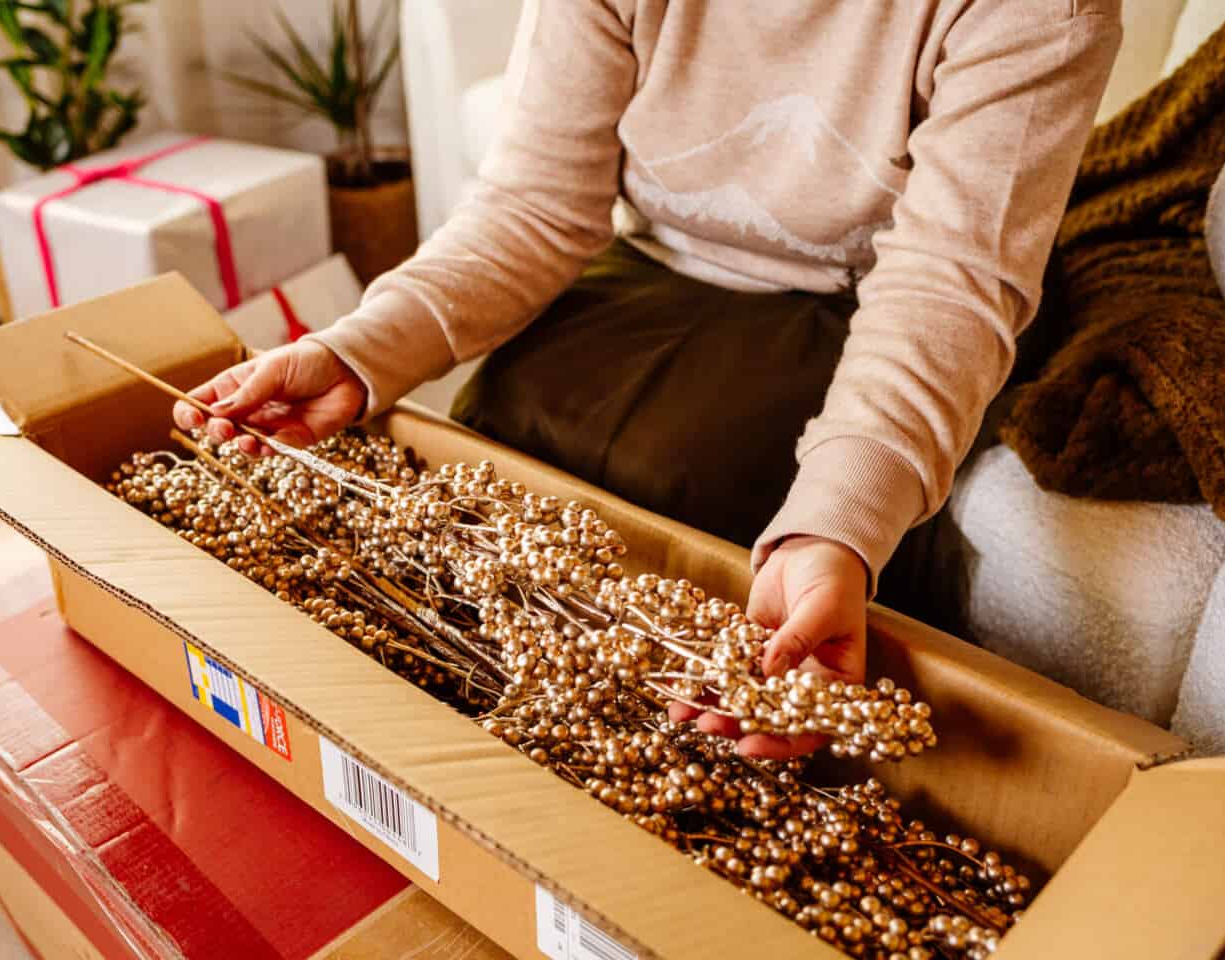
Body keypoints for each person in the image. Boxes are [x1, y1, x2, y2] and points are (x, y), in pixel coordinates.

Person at [175, 1, 1121, 759]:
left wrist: (837, 527)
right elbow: (535, 205)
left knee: (687, 488)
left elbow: (943, 292)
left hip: (869, 307)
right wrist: (358, 351)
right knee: (501, 424)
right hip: (658, 263)